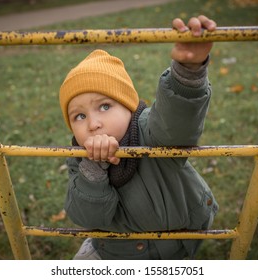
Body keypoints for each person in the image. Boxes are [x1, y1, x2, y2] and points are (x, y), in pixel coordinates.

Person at [59, 15, 219, 260]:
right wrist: (93, 170)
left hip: (174, 245)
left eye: (104, 106)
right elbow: (87, 219)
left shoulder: (150, 130)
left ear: (128, 107)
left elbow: (177, 122)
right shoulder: (79, 159)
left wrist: (188, 72)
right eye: (79, 116)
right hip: (114, 251)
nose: (93, 124)